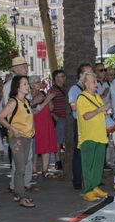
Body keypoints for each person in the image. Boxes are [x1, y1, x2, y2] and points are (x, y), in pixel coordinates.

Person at [0, 75, 37, 208]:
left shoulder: (25, 101)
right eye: (25, 84)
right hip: (17, 139)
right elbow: (1, 117)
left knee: (22, 166)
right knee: (20, 168)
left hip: (27, 138)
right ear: (18, 87)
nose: (28, 86)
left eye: (28, 84)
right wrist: (12, 129)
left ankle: (17, 192)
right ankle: (22, 197)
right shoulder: (13, 102)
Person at [75, 72, 110, 202]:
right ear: (86, 83)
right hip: (88, 136)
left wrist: (106, 111)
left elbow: (102, 111)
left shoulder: (97, 97)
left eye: (96, 81)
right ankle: (88, 190)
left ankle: (95, 186)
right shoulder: (82, 98)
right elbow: (86, 116)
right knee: (88, 165)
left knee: (98, 164)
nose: (96, 84)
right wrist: (99, 110)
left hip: (100, 135)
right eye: (93, 81)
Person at [67, 63, 91, 190]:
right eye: (88, 73)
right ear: (81, 76)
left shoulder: (91, 88)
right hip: (81, 124)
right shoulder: (74, 89)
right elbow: (73, 106)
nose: (91, 75)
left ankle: (90, 179)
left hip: (91, 124)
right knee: (79, 152)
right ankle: (77, 180)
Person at [33, 77, 58, 179]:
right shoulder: (30, 95)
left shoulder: (43, 93)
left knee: (46, 147)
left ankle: (45, 170)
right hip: (36, 123)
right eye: (36, 82)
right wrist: (46, 99)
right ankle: (33, 169)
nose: (39, 84)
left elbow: (51, 108)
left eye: (39, 82)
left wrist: (48, 97)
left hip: (46, 122)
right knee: (35, 147)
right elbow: (33, 107)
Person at [46, 69, 68, 171]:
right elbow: (48, 105)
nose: (62, 78)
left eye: (63, 76)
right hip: (59, 118)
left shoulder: (66, 89)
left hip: (67, 118)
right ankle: (58, 161)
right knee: (58, 141)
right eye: (60, 76)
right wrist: (55, 117)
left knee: (64, 140)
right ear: (55, 78)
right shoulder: (52, 90)